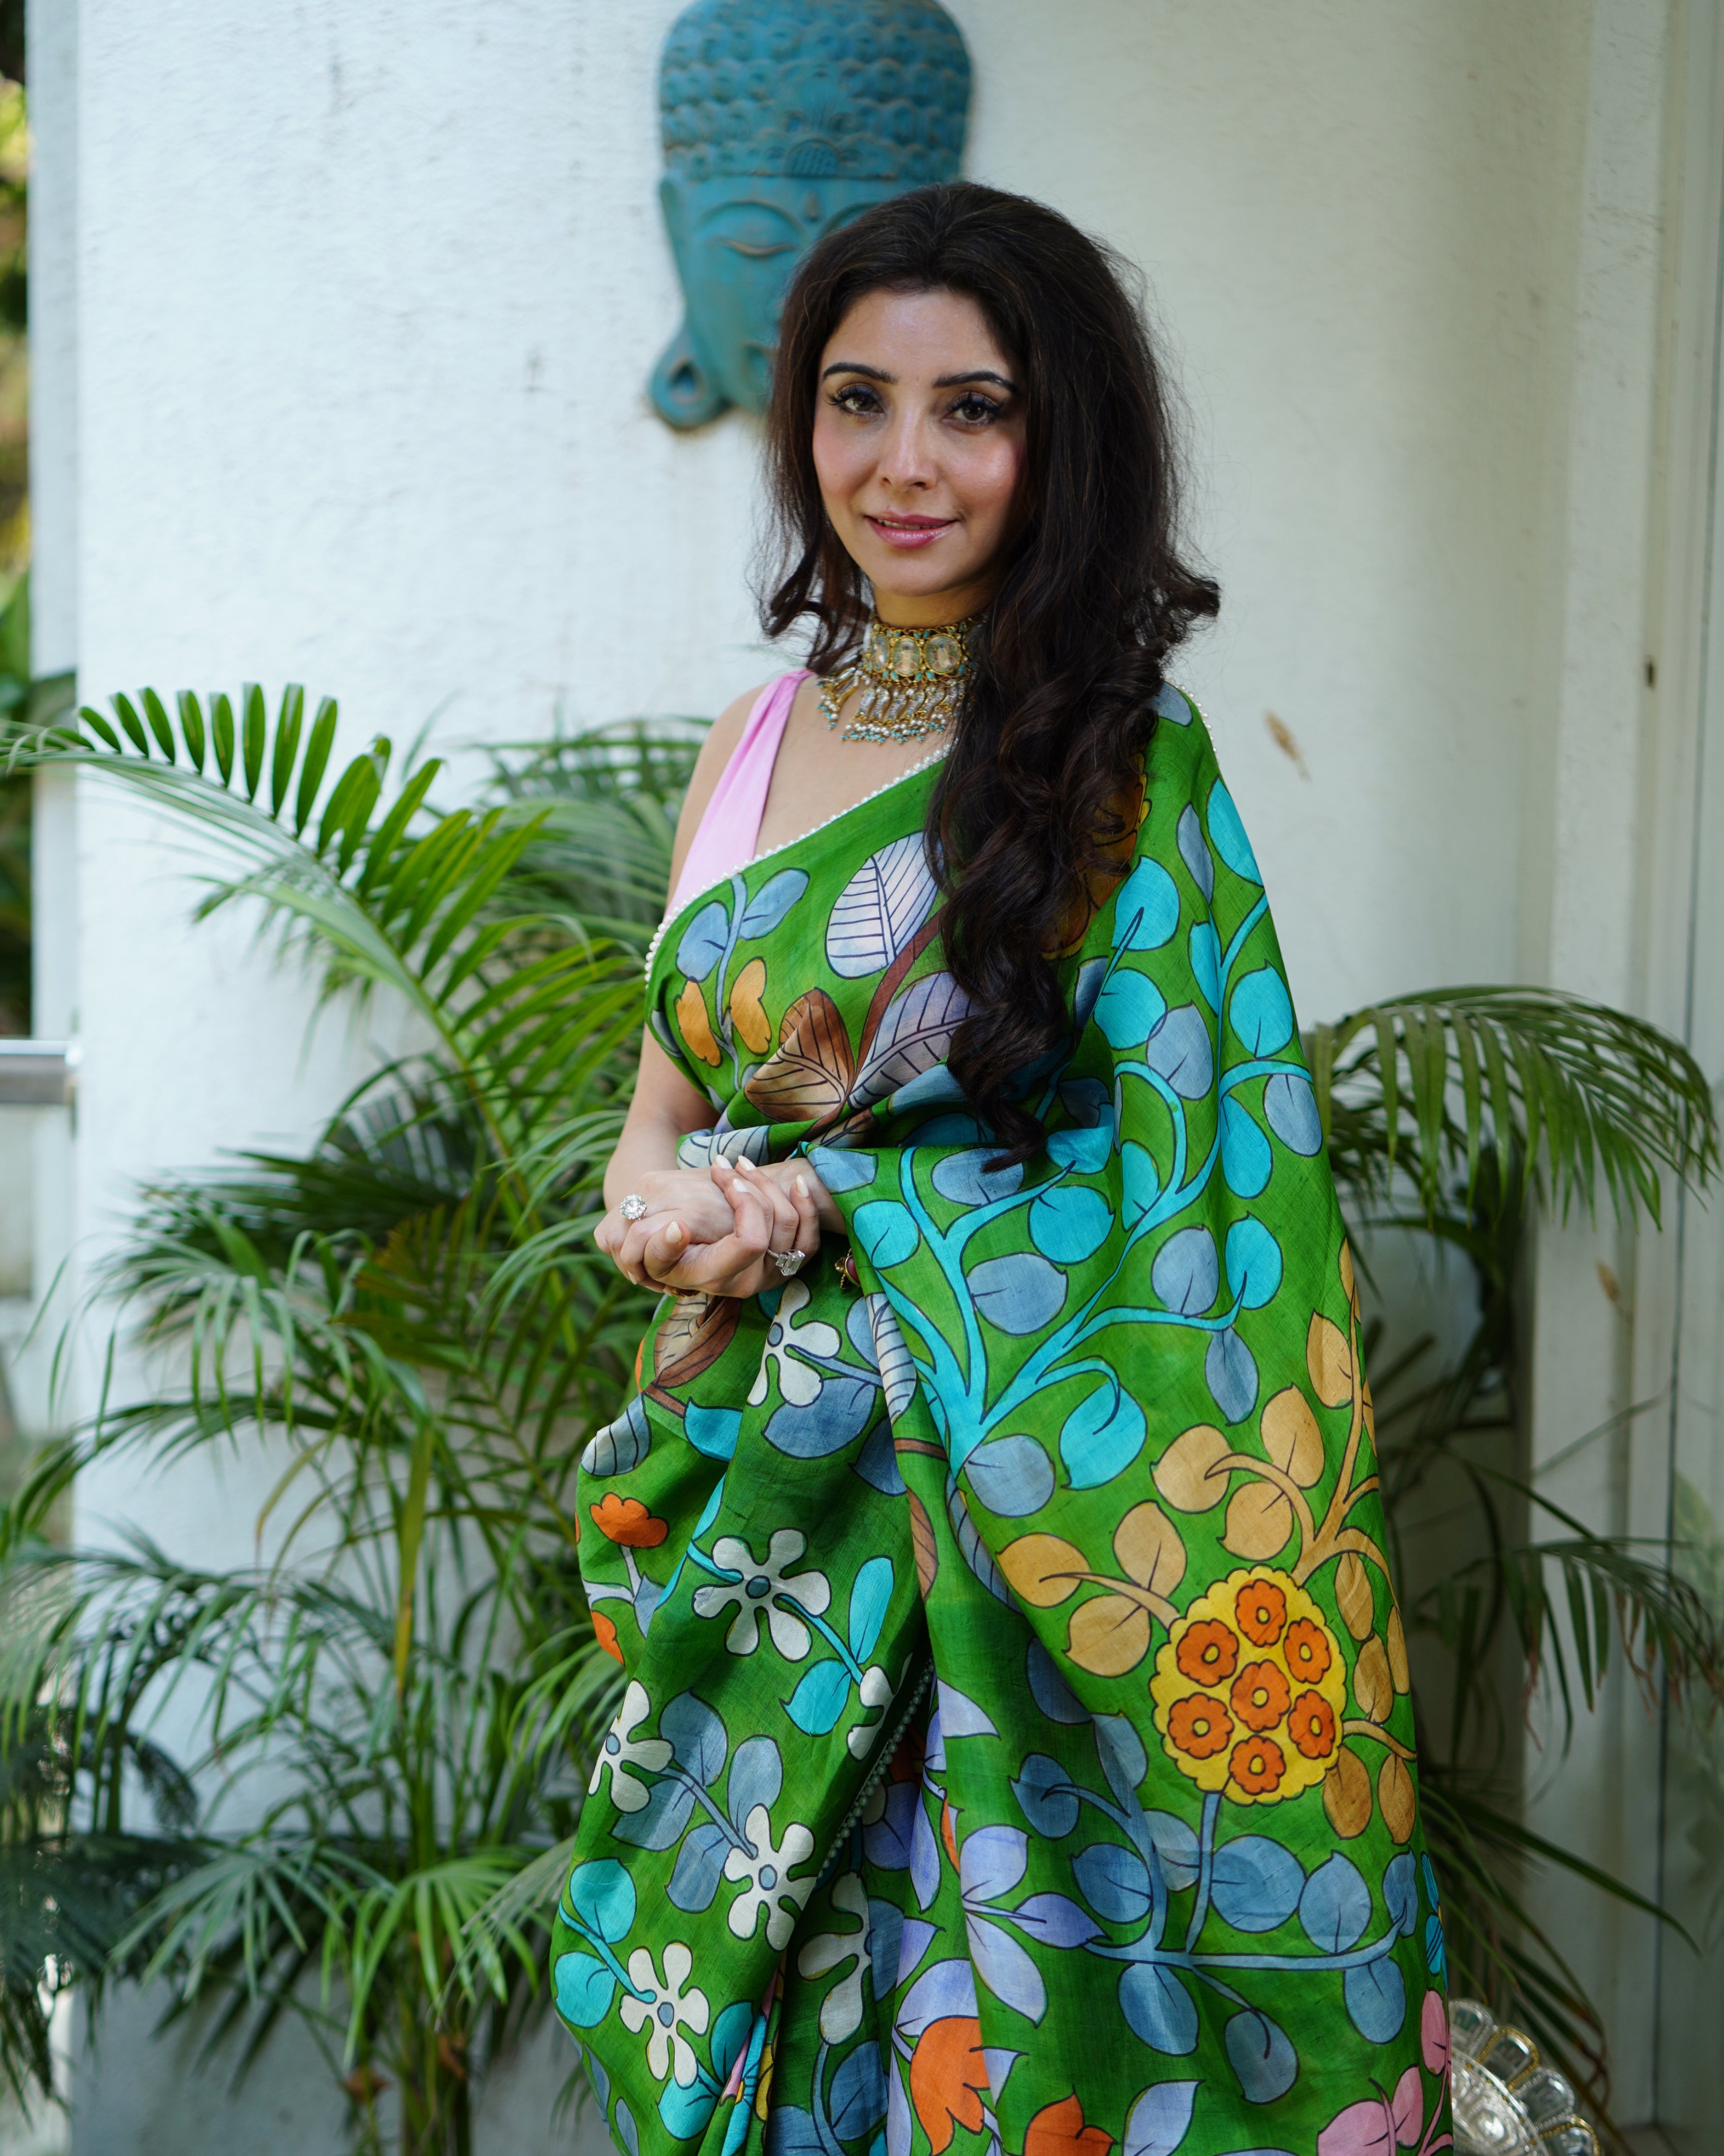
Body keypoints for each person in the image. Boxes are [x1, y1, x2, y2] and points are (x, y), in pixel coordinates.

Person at [553, 183, 1447, 2156]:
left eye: (973, 408)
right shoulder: (751, 738)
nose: (903, 463)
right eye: (858, 402)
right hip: (776, 1534)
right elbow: (658, 1126)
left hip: (1031, 1581)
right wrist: (680, 1224)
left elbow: (1199, 1210)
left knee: (993, 2058)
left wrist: (838, 1210)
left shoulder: (1134, 766)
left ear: (1062, 442)